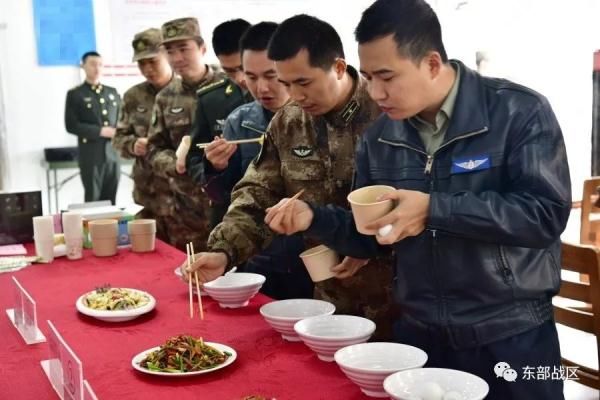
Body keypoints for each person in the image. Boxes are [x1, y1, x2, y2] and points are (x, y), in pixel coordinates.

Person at [264, 1, 571, 398]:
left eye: (387, 77)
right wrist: (314, 218)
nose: (375, 92)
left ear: (430, 63)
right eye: (370, 77)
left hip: (511, 335)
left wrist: (434, 208)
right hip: (420, 336)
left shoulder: (518, 112)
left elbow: (544, 214)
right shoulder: (380, 138)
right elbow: (371, 238)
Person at [183, 15, 394, 339]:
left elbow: (418, 203)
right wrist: (224, 251)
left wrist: (368, 244)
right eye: (287, 84)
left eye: (304, 82)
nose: (294, 95)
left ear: (338, 67)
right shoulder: (288, 122)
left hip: (400, 302)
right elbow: (257, 192)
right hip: (328, 302)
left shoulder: (389, 113)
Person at [201, 22, 312, 299]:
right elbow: (224, 195)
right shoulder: (240, 121)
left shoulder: (315, 115)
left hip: (314, 256)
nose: (261, 88)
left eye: (271, 75)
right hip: (259, 254)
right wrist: (216, 167)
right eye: (250, 76)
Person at [146, 17, 224, 251]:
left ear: (202, 48)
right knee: (192, 278)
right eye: (170, 51)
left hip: (229, 203)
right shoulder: (165, 98)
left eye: (183, 49)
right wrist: (176, 164)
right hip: (186, 210)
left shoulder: (230, 86)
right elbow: (153, 148)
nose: (177, 58)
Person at [186, 19, 253, 229]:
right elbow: (194, 158)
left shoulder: (282, 94)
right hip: (229, 212)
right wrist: (213, 167)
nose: (240, 78)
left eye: (244, 68)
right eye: (230, 71)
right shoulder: (210, 99)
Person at [112, 28, 173, 241]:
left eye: (152, 61)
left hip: (185, 200)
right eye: (141, 63)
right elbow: (118, 139)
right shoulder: (133, 97)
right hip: (150, 197)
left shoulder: (187, 92)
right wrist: (132, 145)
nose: (147, 68)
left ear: (167, 54)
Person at [65, 51, 121, 204]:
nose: (97, 68)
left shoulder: (112, 92)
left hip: (113, 153)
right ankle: (92, 229)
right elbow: (71, 125)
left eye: (100, 64)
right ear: (83, 66)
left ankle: (111, 228)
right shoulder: (76, 94)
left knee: (111, 199)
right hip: (91, 154)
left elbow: (122, 119)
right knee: (93, 199)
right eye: (92, 64)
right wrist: (100, 131)